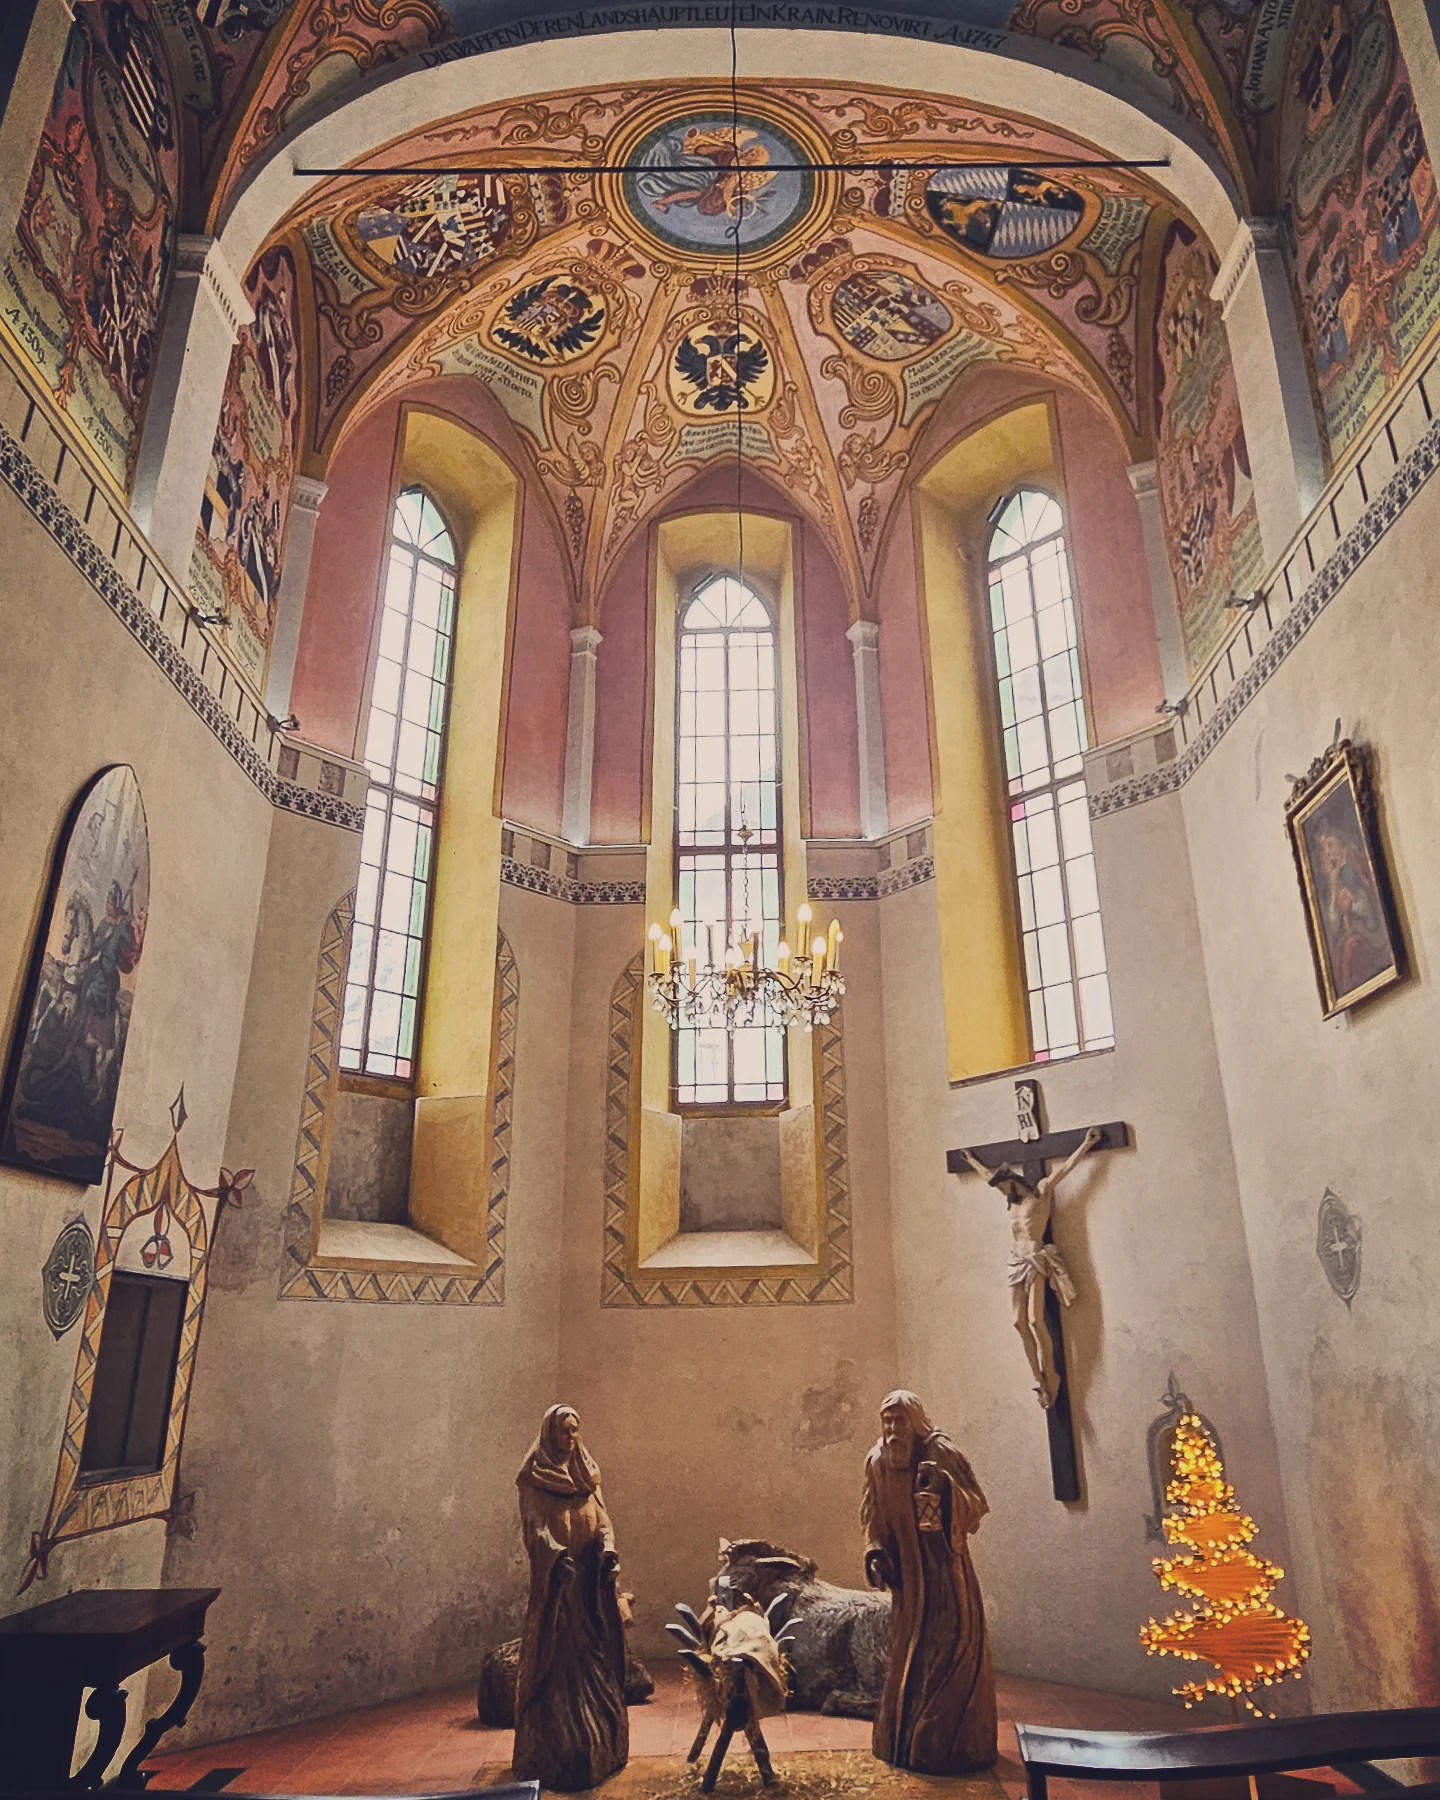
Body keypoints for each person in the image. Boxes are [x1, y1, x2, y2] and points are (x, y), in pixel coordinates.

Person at [862, 1390, 996, 1774]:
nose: (893, 1429)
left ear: (916, 1423)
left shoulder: (941, 1452)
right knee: (904, 1656)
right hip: (905, 1579)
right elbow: (872, 1513)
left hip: (946, 1575)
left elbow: (976, 1505)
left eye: (900, 1421)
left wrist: (945, 1489)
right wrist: (876, 1552)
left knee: (952, 1651)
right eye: (887, 1421)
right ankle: (899, 1741)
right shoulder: (877, 1461)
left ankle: (948, 1744)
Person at [512, 1405, 629, 1790]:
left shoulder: (587, 1474)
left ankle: (604, 1738)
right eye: (564, 1431)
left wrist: (608, 1550)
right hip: (558, 1591)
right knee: (557, 1655)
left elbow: (603, 1520)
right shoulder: (535, 1478)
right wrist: (554, 1557)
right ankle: (559, 1744)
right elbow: (535, 1528)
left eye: (575, 1430)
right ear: (550, 1434)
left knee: (596, 1651)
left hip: (589, 1589)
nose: (571, 1438)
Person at [958, 1127, 1101, 1407]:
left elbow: (1066, 1169)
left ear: (1013, 1181)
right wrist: (972, 1160)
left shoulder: (1041, 1192)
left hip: (1035, 1258)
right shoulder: (1012, 1204)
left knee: (1036, 1320)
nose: (1003, 1190)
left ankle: (1051, 1373)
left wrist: (1087, 1144)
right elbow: (988, 1177)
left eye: (1004, 1185)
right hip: (1016, 1260)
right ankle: (1038, 1378)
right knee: (1018, 1322)